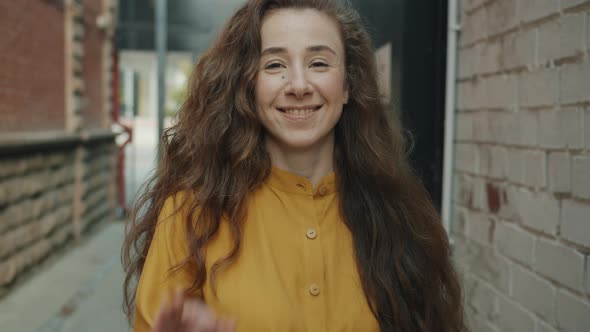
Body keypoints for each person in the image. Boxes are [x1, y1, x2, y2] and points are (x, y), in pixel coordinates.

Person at [122, 0, 465, 331]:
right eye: (274, 65)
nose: (299, 85)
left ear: (346, 85)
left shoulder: (398, 213)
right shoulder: (191, 213)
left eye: (319, 63)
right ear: (249, 85)